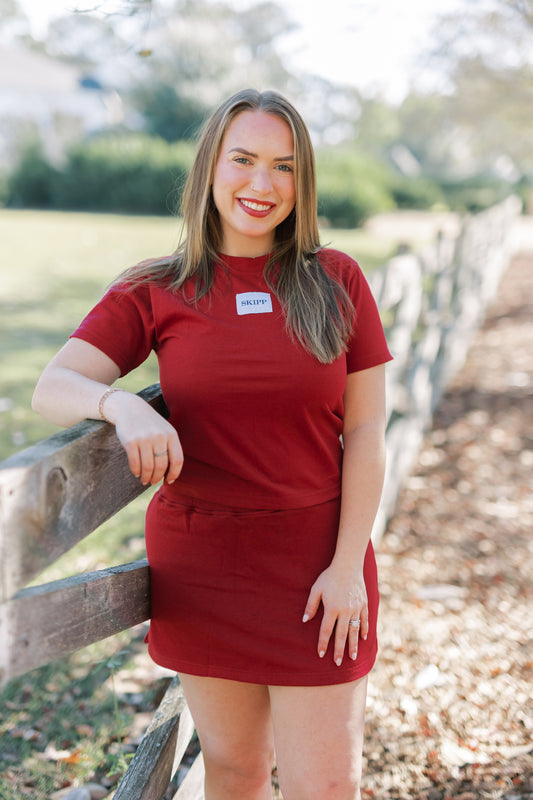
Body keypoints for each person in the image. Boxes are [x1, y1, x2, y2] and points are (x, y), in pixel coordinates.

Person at [32, 88, 392, 800]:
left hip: (320, 569)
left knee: (327, 785)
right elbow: (54, 385)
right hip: (204, 571)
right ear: (209, 169)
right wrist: (122, 409)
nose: (262, 185)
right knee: (232, 771)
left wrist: (347, 565)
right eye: (245, 160)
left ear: (303, 180)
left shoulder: (335, 280)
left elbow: (368, 431)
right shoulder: (155, 288)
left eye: (284, 167)